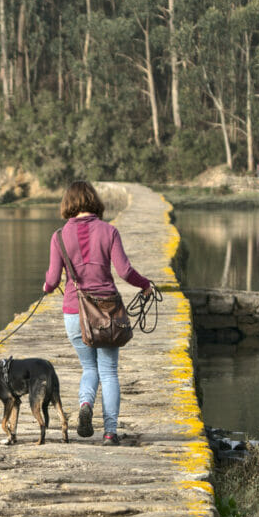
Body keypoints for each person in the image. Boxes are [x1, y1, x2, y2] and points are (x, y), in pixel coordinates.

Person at [42, 180, 152, 446]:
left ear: (68, 203)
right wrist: (145, 285)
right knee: (109, 371)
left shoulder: (58, 237)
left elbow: (53, 279)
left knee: (89, 367)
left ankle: (85, 403)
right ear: (93, 200)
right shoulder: (109, 231)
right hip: (108, 314)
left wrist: (46, 286)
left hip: (74, 313)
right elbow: (125, 271)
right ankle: (110, 433)